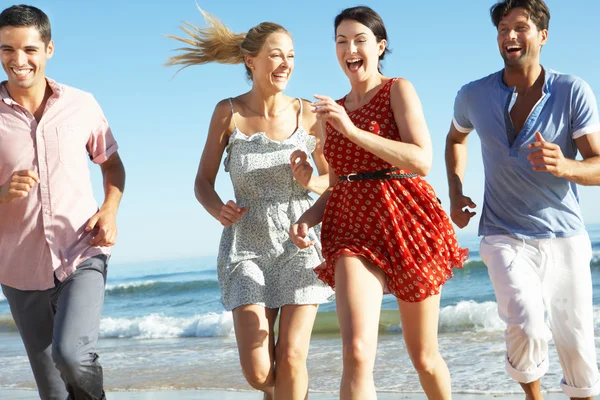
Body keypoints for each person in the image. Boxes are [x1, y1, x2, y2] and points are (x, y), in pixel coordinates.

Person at [290, 6, 467, 400]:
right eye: (341, 41)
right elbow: (339, 184)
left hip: (408, 222)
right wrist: (309, 215)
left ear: (379, 46)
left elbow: (421, 160)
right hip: (353, 230)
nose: (350, 49)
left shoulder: (397, 89)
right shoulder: (329, 112)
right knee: (355, 353)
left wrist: (351, 130)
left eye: (359, 40)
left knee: (423, 357)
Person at [166, 8, 334, 400]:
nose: (285, 63)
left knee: (292, 357)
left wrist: (312, 180)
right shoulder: (228, 112)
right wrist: (216, 208)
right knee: (260, 373)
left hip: (300, 240)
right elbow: (202, 182)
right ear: (250, 60)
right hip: (246, 246)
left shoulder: (307, 114)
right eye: (276, 54)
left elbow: (333, 184)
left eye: (290, 55)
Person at [445, 0, 600, 398]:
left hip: (565, 237)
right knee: (527, 323)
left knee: (577, 342)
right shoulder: (474, 94)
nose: (509, 36)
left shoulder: (571, 91)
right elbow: (455, 138)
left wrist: (566, 166)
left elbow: (598, 164)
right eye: (502, 29)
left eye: (520, 27)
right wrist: (456, 190)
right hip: (502, 234)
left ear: (542, 36)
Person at [0, 4, 125, 400]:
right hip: (19, 268)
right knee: (53, 393)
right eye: (7, 50)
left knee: (72, 355)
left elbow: (114, 166)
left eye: (29, 49)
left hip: (81, 252)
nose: (19, 60)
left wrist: (110, 210)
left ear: (49, 49)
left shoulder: (82, 104)